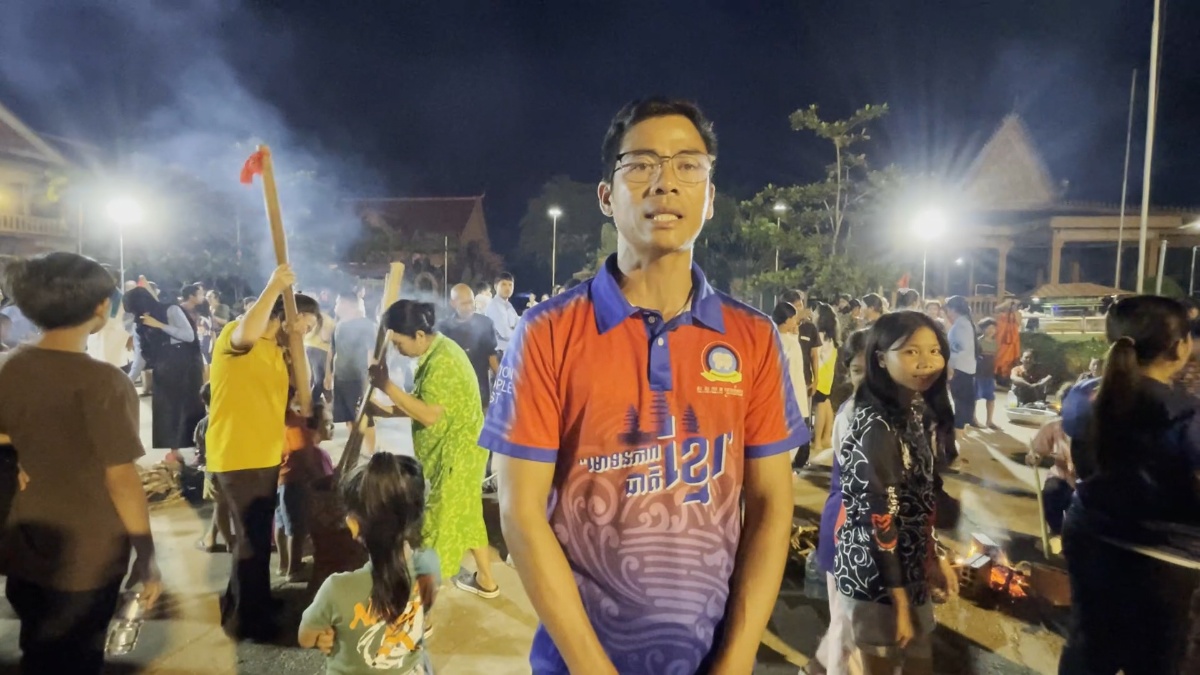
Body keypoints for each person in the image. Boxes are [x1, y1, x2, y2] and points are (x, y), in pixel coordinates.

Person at [482, 98, 809, 674]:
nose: (665, 183)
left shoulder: (753, 337)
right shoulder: (547, 332)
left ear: (710, 196)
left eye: (689, 165)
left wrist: (735, 660)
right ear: (606, 197)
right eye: (640, 165)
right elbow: (520, 512)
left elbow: (770, 504)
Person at [0, 252, 162, 674]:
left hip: (22, 546)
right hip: (87, 555)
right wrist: (146, 555)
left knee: (38, 649)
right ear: (101, 306)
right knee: (76, 658)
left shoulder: (7, 368)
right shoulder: (105, 382)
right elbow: (121, 478)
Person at [1058, 296, 1200, 674]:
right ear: (1179, 347)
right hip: (1166, 560)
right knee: (1157, 660)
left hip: (1089, 535)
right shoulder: (1188, 414)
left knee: (1089, 645)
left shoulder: (1082, 394)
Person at [834, 311, 958, 675]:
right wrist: (900, 601)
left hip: (909, 571)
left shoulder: (911, 411)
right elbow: (879, 518)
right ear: (880, 359)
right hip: (877, 579)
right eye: (910, 352)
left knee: (921, 665)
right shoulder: (875, 425)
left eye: (934, 351)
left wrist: (934, 555)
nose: (926, 362)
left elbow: (918, 501)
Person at [206, 264, 321, 640]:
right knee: (249, 542)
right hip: (238, 454)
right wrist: (274, 287)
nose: (306, 333)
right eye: (305, 324)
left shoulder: (277, 351)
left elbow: (303, 393)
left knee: (255, 537)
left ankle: (250, 601)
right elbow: (248, 330)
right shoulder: (237, 337)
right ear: (286, 315)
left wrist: (297, 342)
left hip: (265, 455)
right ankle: (245, 621)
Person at [369, 300, 499, 598]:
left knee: (435, 530)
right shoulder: (435, 353)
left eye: (399, 343)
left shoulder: (443, 363)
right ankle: (486, 581)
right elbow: (420, 404)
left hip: (455, 458)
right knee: (468, 516)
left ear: (418, 335)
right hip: (462, 454)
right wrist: (383, 408)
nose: (398, 350)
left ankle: (420, 607)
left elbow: (428, 415)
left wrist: (387, 386)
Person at [300, 453, 441, 674]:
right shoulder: (430, 564)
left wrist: (324, 636)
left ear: (353, 525)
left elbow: (306, 638)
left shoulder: (337, 589)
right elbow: (423, 613)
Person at [813, 328, 869, 675]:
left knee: (854, 624)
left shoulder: (887, 412)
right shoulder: (854, 414)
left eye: (873, 369)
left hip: (869, 532)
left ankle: (818, 667)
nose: (865, 379)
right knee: (847, 630)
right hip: (849, 528)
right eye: (857, 371)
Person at [138, 284, 207, 463]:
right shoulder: (144, 318)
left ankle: (201, 450)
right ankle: (175, 452)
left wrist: (159, 325)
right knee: (167, 408)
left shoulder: (172, 310)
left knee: (191, 406)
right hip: (165, 365)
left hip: (186, 364)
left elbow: (189, 336)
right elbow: (142, 350)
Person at [326, 289, 378, 455]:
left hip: (358, 379)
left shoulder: (366, 325)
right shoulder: (338, 325)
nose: (335, 306)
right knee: (347, 417)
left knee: (364, 417)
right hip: (340, 378)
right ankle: (354, 450)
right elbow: (332, 351)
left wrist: (370, 381)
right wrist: (328, 374)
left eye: (338, 302)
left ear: (347, 304)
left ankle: (371, 453)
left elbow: (371, 352)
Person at [439, 283, 500, 409]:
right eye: (463, 304)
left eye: (471, 302)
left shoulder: (485, 323)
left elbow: (492, 356)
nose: (469, 307)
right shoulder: (444, 328)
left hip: (480, 392)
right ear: (453, 303)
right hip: (453, 394)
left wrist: (502, 381)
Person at [195, 383, 236, 554]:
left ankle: (227, 541)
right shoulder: (231, 420)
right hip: (232, 468)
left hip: (213, 471)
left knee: (220, 506)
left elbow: (199, 449)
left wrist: (201, 462)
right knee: (228, 506)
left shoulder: (203, 424)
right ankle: (229, 539)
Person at [771, 302, 811, 465]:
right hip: (793, 393)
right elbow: (794, 371)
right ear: (787, 320)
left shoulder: (771, 338)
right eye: (794, 318)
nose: (796, 321)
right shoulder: (791, 343)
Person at [1025, 420, 1074, 538]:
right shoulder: (1054, 426)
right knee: (1051, 494)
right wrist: (1034, 457)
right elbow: (1036, 452)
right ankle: (1057, 531)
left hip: (1091, 481)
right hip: (1063, 476)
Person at [944, 296, 976, 439]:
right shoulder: (963, 322)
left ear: (953, 309)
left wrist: (950, 365)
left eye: (948, 309)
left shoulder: (961, 325)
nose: (947, 313)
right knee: (962, 401)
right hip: (964, 367)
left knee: (960, 401)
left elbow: (960, 349)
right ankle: (959, 430)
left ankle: (958, 432)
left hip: (960, 368)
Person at [813, 303, 839, 452]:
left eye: (816, 312)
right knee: (826, 403)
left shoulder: (820, 335)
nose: (814, 314)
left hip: (820, 373)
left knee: (820, 406)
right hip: (828, 374)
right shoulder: (831, 336)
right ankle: (826, 438)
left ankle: (817, 441)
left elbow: (816, 356)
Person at [484, 272, 519, 355]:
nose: (507, 288)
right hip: (499, 353)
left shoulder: (509, 306)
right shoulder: (493, 305)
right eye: (503, 284)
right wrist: (518, 332)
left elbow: (518, 324)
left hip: (510, 352)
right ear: (496, 286)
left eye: (510, 285)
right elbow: (505, 333)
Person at [974, 317, 1000, 429]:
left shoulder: (996, 343)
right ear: (983, 329)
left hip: (989, 374)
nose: (991, 330)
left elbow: (996, 360)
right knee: (975, 397)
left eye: (993, 328)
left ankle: (989, 421)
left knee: (991, 398)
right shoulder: (978, 342)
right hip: (978, 374)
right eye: (988, 328)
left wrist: (995, 376)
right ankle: (973, 419)